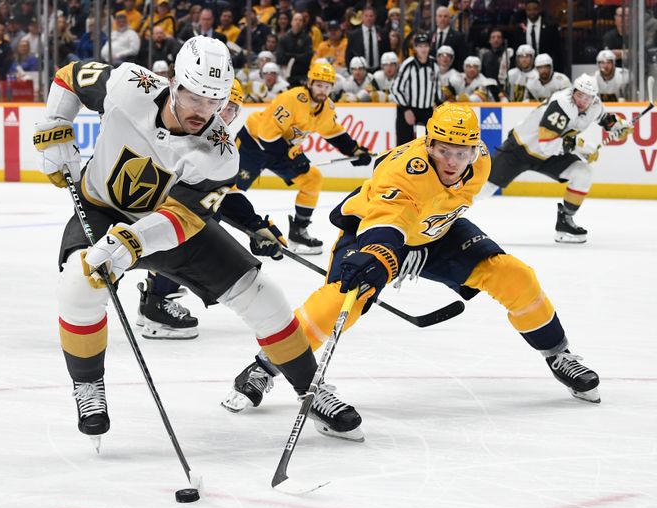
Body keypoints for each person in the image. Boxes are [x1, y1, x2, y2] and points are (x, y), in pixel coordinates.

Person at [33, 36, 357, 446]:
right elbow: (68, 77)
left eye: (215, 101)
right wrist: (56, 125)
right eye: (195, 96)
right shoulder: (127, 84)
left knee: (264, 295)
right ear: (173, 83)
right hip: (102, 209)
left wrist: (131, 242)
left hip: (167, 224)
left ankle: (311, 389)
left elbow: (182, 218)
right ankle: (87, 386)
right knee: (78, 283)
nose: (204, 112)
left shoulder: (221, 152)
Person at [222, 103, 603, 430]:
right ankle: (264, 366)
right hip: (375, 231)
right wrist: (386, 255)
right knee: (341, 301)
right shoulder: (406, 170)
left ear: (475, 149)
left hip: (436, 232)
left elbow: (446, 204)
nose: (453, 162)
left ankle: (558, 353)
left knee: (513, 275)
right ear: (428, 143)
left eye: (462, 152)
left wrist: (422, 240)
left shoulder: (482, 161)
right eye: (443, 151)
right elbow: (387, 220)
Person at [135, 79, 287, 340]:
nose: (225, 115)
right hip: (141, 209)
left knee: (200, 219)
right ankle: (156, 305)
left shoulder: (216, 142)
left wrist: (255, 225)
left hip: (151, 211)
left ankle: (155, 296)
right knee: (193, 226)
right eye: (224, 107)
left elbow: (224, 195)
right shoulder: (189, 133)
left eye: (232, 109)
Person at [232, 62, 373, 255]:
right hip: (254, 143)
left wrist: (355, 150)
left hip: (280, 148)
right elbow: (267, 134)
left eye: (327, 86)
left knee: (312, 179)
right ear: (309, 83)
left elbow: (333, 132)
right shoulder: (293, 99)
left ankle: (298, 230)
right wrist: (294, 155)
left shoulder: (326, 108)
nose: (322, 90)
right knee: (230, 189)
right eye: (319, 85)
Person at [480, 75, 633, 243]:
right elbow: (547, 143)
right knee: (483, 189)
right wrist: (581, 147)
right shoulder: (561, 104)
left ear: (594, 97)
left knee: (583, 173)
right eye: (579, 95)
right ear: (573, 91)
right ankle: (448, 218)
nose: (582, 100)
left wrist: (619, 125)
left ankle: (565, 222)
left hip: (549, 156)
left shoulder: (595, 105)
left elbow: (604, 119)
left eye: (587, 97)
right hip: (521, 148)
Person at [391, 33, 438, 145]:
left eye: (425, 46)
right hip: (408, 108)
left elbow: (436, 86)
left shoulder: (434, 64)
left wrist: (439, 104)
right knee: (404, 145)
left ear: (429, 47)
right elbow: (395, 88)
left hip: (427, 110)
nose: (423, 49)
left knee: (430, 144)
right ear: (415, 48)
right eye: (420, 46)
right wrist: (406, 109)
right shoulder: (408, 64)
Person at [512, 0, 563, 73]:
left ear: (540, 9)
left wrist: (558, 71)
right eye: (529, 10)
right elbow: (516, 52)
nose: (532, 12)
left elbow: (557, 51)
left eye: (535, 9)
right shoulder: (520, 28)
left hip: (545, 69)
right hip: (525, 70)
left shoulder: (550, 26)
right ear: (525, 10)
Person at [345, 6, 389, 73]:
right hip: (361, 71)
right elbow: (348, 55)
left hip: (379, 70)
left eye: (371, 16)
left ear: (375, 17)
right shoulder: (353, 35)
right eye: (366, 16)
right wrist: (350, 71)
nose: (369, 18)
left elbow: (387, 51)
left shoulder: (383, 33)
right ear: (362, 17)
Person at [277, 12, 313, 86]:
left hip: (302, 74)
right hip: (285, 74)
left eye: (300, 20)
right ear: (291, 22)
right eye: (296, 19)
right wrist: (298, 57)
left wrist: (290, 56)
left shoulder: (307, 38)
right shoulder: (284, 38)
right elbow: (280, 58)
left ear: (303, 23)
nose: (298, 22)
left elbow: (307, 57)